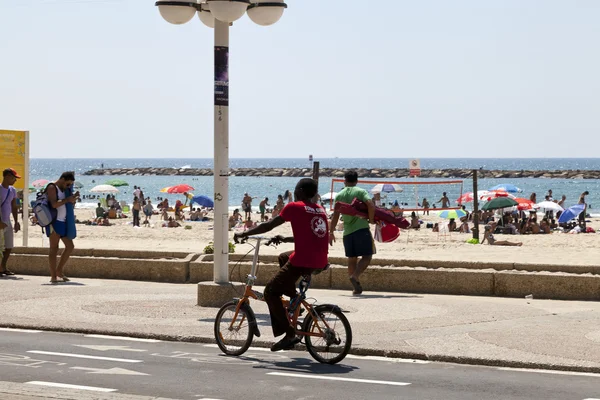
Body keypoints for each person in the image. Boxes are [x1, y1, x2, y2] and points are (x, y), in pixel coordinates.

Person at [235, 178, 328, 352]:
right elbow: (310, 236)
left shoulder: (294, 206)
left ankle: (289, 334)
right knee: (283, 257)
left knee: (270, 292)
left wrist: (245, 233)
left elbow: (269, 225)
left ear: (299, 191)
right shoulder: (319, 209)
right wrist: (284, 239)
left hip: (304, 260)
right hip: (321, 260)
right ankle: (293, 299)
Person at [329, 170, 375, 295]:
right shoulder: (360, 192)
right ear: (357, 180)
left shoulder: (339, 195)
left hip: (347, 232)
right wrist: (371, 219)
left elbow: (335, 216)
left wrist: (331, 231)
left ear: (345, 180)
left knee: (352, 258)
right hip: (361, 229)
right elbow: (370, 205)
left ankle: (355, 288)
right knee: (367, 256)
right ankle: (355, 276)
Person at [46, 171, 79, 283]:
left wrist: (72, 199)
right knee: (54, 249)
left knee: (70, 246)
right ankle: (53, 276)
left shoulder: (64, 190)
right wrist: (67, 200)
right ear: (62, 179)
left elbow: (66, 203)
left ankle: (59, 271)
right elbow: (54, 204)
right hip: (54, 222)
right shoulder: (52, 187)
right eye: (68, 184)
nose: (68, 186)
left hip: (64, 221)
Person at [0, 168, 21, 276]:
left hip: (7, 221)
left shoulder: (12, 190)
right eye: (14, 178)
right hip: (0, 221)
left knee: (8, 246)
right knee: (0, 246)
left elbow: (14, 206)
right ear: (7, 176)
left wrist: (16, 221)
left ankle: (3, 267)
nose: (15, 180)